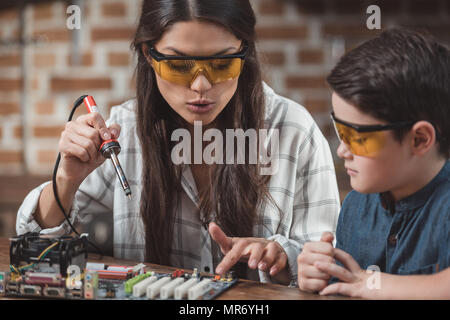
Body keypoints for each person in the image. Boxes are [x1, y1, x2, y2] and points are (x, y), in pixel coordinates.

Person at [16, 0, 340, 286]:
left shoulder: (294, 132)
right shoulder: (124, 130)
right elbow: (36, 250)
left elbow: (329, 263)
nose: (201, 85)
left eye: (222, 63)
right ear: (149, 54)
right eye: (179, 65)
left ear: (245, 51)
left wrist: (283, 258)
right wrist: (66, 181)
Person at [297, 27, 450, 298]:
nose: (342, 150)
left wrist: (372, 284)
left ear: (419, 139)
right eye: (340, 131)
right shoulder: (356, 206)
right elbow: (347, 286)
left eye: (358, 138)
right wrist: (321, 275)